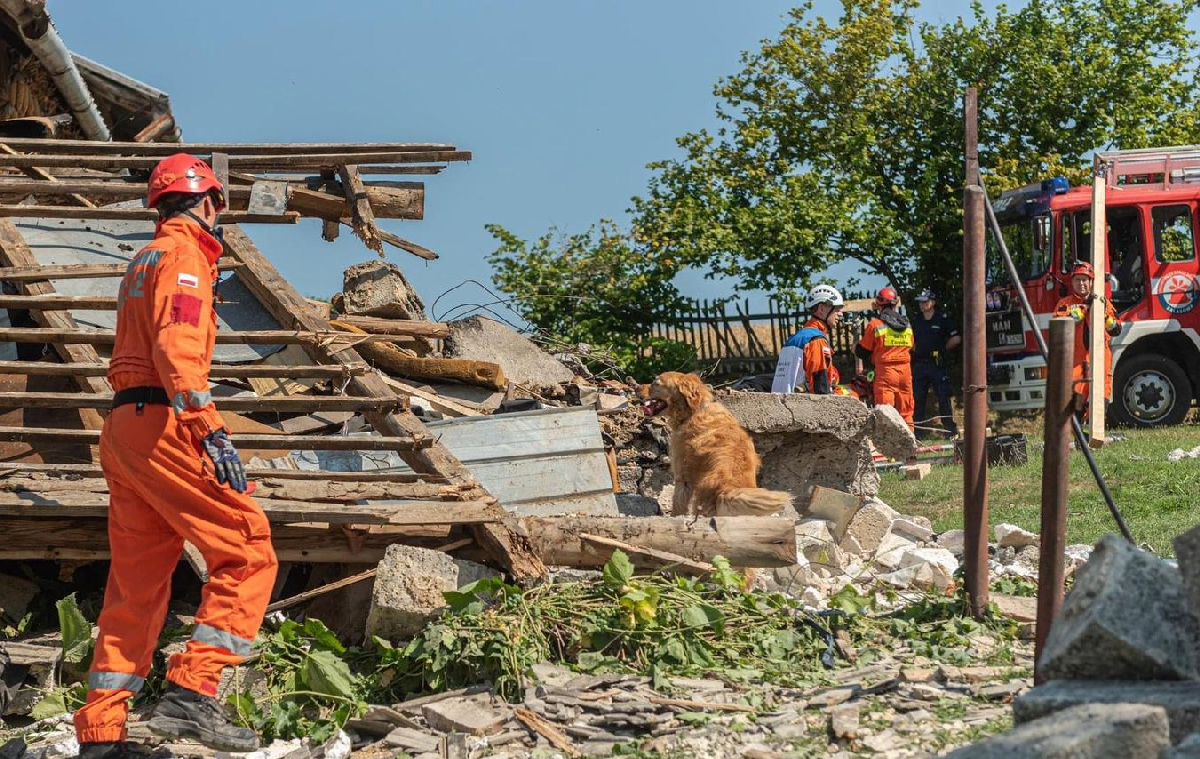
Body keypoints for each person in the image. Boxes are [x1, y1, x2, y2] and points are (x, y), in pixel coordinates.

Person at [73, 154, 278, 759]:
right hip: (163, 420)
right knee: (247, 545)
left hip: (125, 427)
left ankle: (102, 733)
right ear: (209, 202)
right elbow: (176, 347)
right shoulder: (187, 257)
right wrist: (209, 428)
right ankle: (194, 691)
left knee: (136, 583)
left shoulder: (146, 258)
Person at [1054, 261, 1121, 414]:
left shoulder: (1104, 303)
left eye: (1085, 279)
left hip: (1100, 363)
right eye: (1077, 280)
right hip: (1075, 366)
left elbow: (1116, 329)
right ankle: (1079, 437)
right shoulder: (1064, 304)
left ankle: (1094, 437)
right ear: (1072, 282)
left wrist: (1103, 314)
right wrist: (1085, 306)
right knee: (1074, 409)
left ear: (1091, 282)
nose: (1081, 283)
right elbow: (1064, 325)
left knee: (1099, 407)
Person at [855, 287, 916, 428]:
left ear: (878, 304)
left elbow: (862, 352)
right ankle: (909, 445)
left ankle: (886, 448)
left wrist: (856, 347)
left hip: (886, 373)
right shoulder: (907, 325)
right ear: (895, 304)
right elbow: (911, 346)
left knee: (885, 412)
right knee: (906, 412)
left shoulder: (875, 325)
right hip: (905, 373)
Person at [772, 284, 846, 394]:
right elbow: (819, 385)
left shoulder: (795, 338)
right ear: (821, 309)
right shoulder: (816, 340)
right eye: (836, 309)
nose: (840, 314)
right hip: (798, 408)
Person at [910, 288, 961, 439]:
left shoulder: (942, 318)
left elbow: (956, 338)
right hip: (920, 364)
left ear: (933, 302)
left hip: (937, 363)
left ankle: (950, 432)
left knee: (943, 398)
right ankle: (917, 433)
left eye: (925, 302)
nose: (922, 305)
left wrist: (943, 350)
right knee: (918, 399)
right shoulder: (916, 320)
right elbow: (910, 340)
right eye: (920, 302)